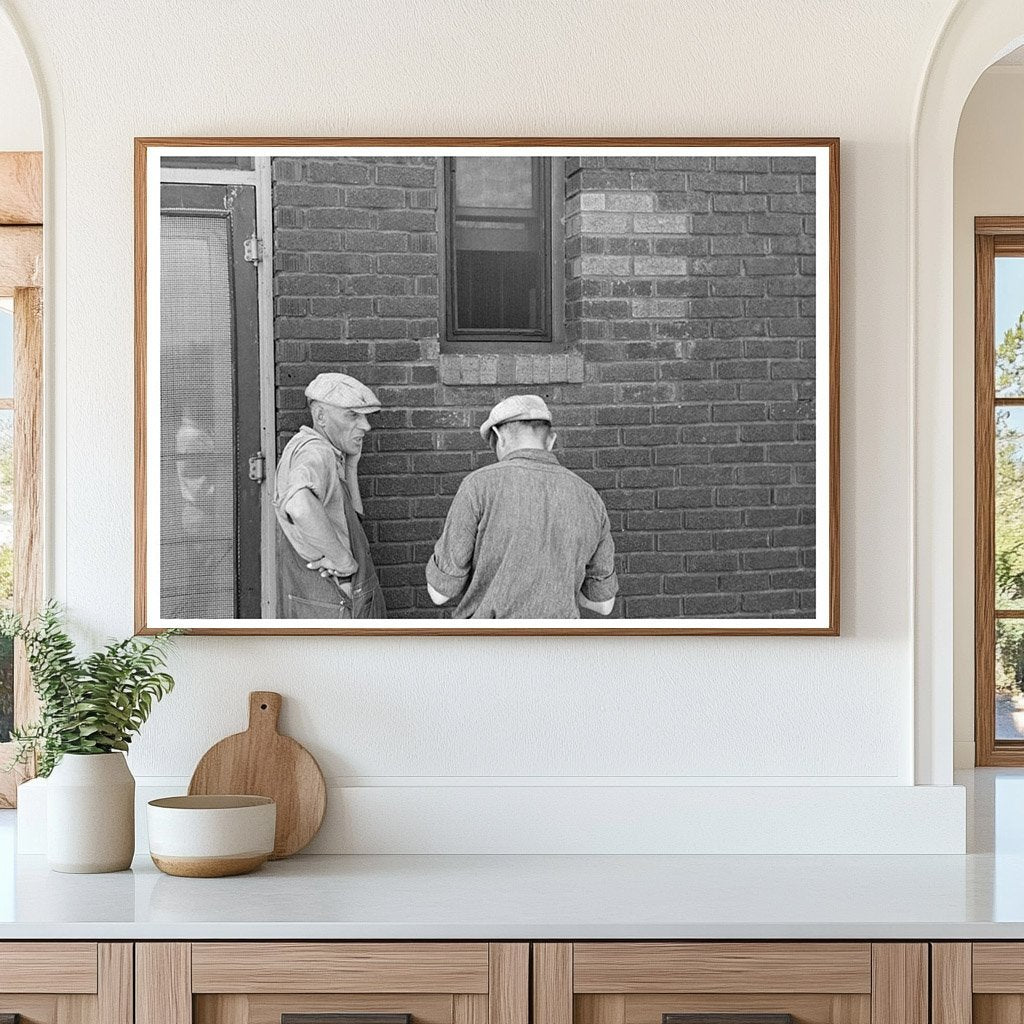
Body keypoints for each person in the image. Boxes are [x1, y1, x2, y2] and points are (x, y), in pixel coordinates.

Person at [425, 394, 618, 619]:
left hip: (487, 647)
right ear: (551, 440)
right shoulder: (589, 497)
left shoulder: (477, 487)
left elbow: (439, 593)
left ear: (499, 437)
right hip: (560, 648)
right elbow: (603, 604)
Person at [274, 373, 386, 619]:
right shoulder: (316, 451)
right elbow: (299, 504)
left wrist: (351, 466)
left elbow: (353, 521)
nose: (366, 426)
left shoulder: (329, 452)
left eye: (365, 416)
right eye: (352, 415)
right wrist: (344, 562)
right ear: (321, 416)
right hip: (334, 602)